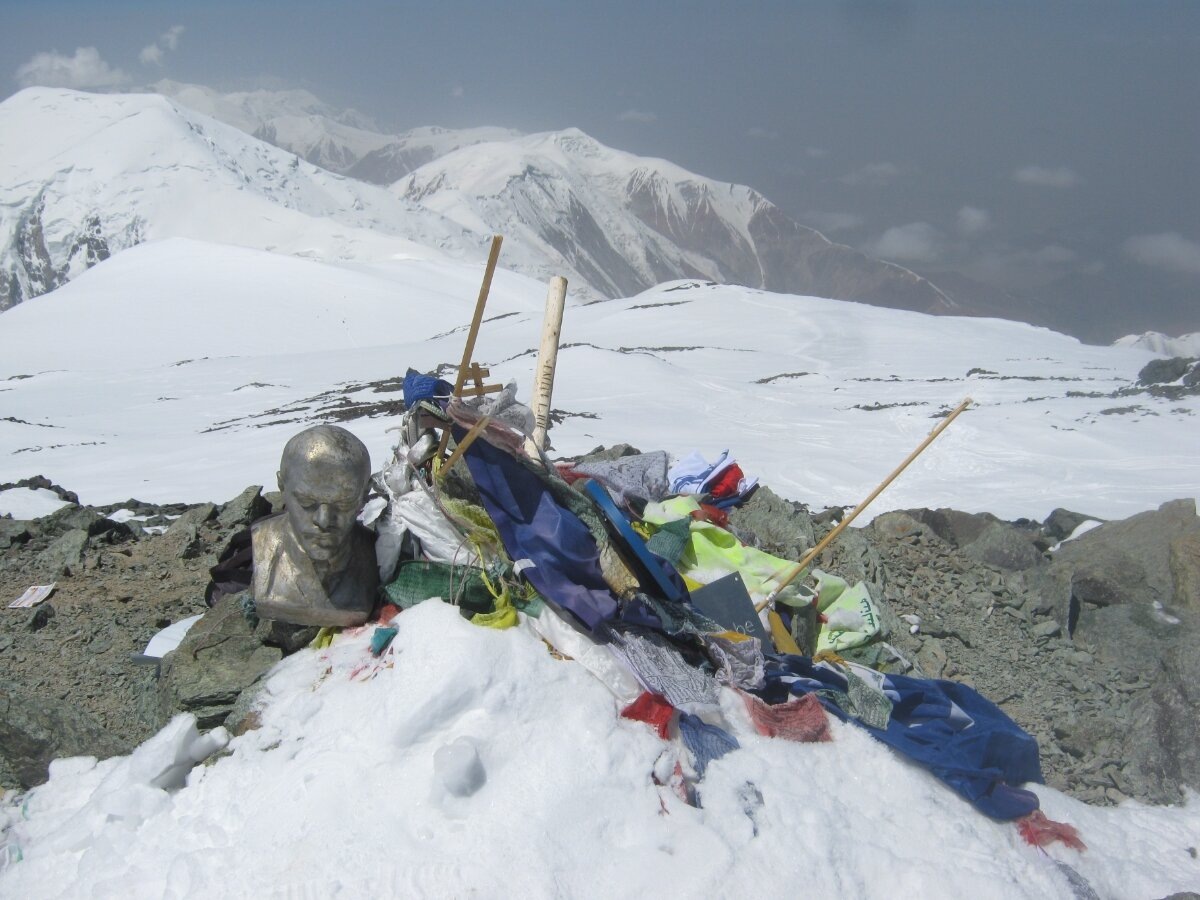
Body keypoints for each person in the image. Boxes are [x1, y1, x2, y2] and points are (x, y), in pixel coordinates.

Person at [251, 425, 379, 626]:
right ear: (282, 486)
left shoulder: (376, 552)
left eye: (343, 504)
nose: (324, 520)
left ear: (364, 495)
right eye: (307, 503)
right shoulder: (263, 544)